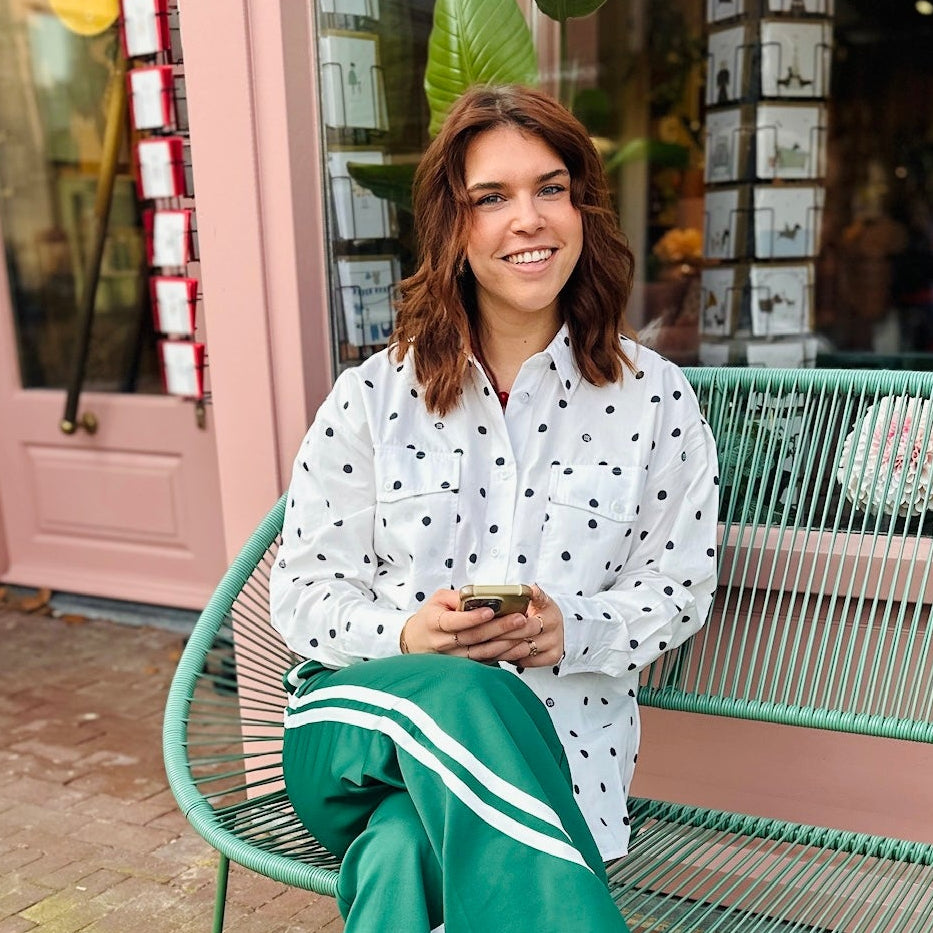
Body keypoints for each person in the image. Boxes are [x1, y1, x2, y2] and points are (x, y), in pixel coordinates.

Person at [270, 84, 719, 933]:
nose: (528, 219)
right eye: (491, 198)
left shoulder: (653, 401)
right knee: (462, 691)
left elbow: (678, 586)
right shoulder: (372, 397)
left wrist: (570, 630)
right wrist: (409, 636)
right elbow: (301, 594)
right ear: (453, 225)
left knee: (402, 852)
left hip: (560, 761)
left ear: (583, 210)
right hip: (361, 734)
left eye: (551, 188)